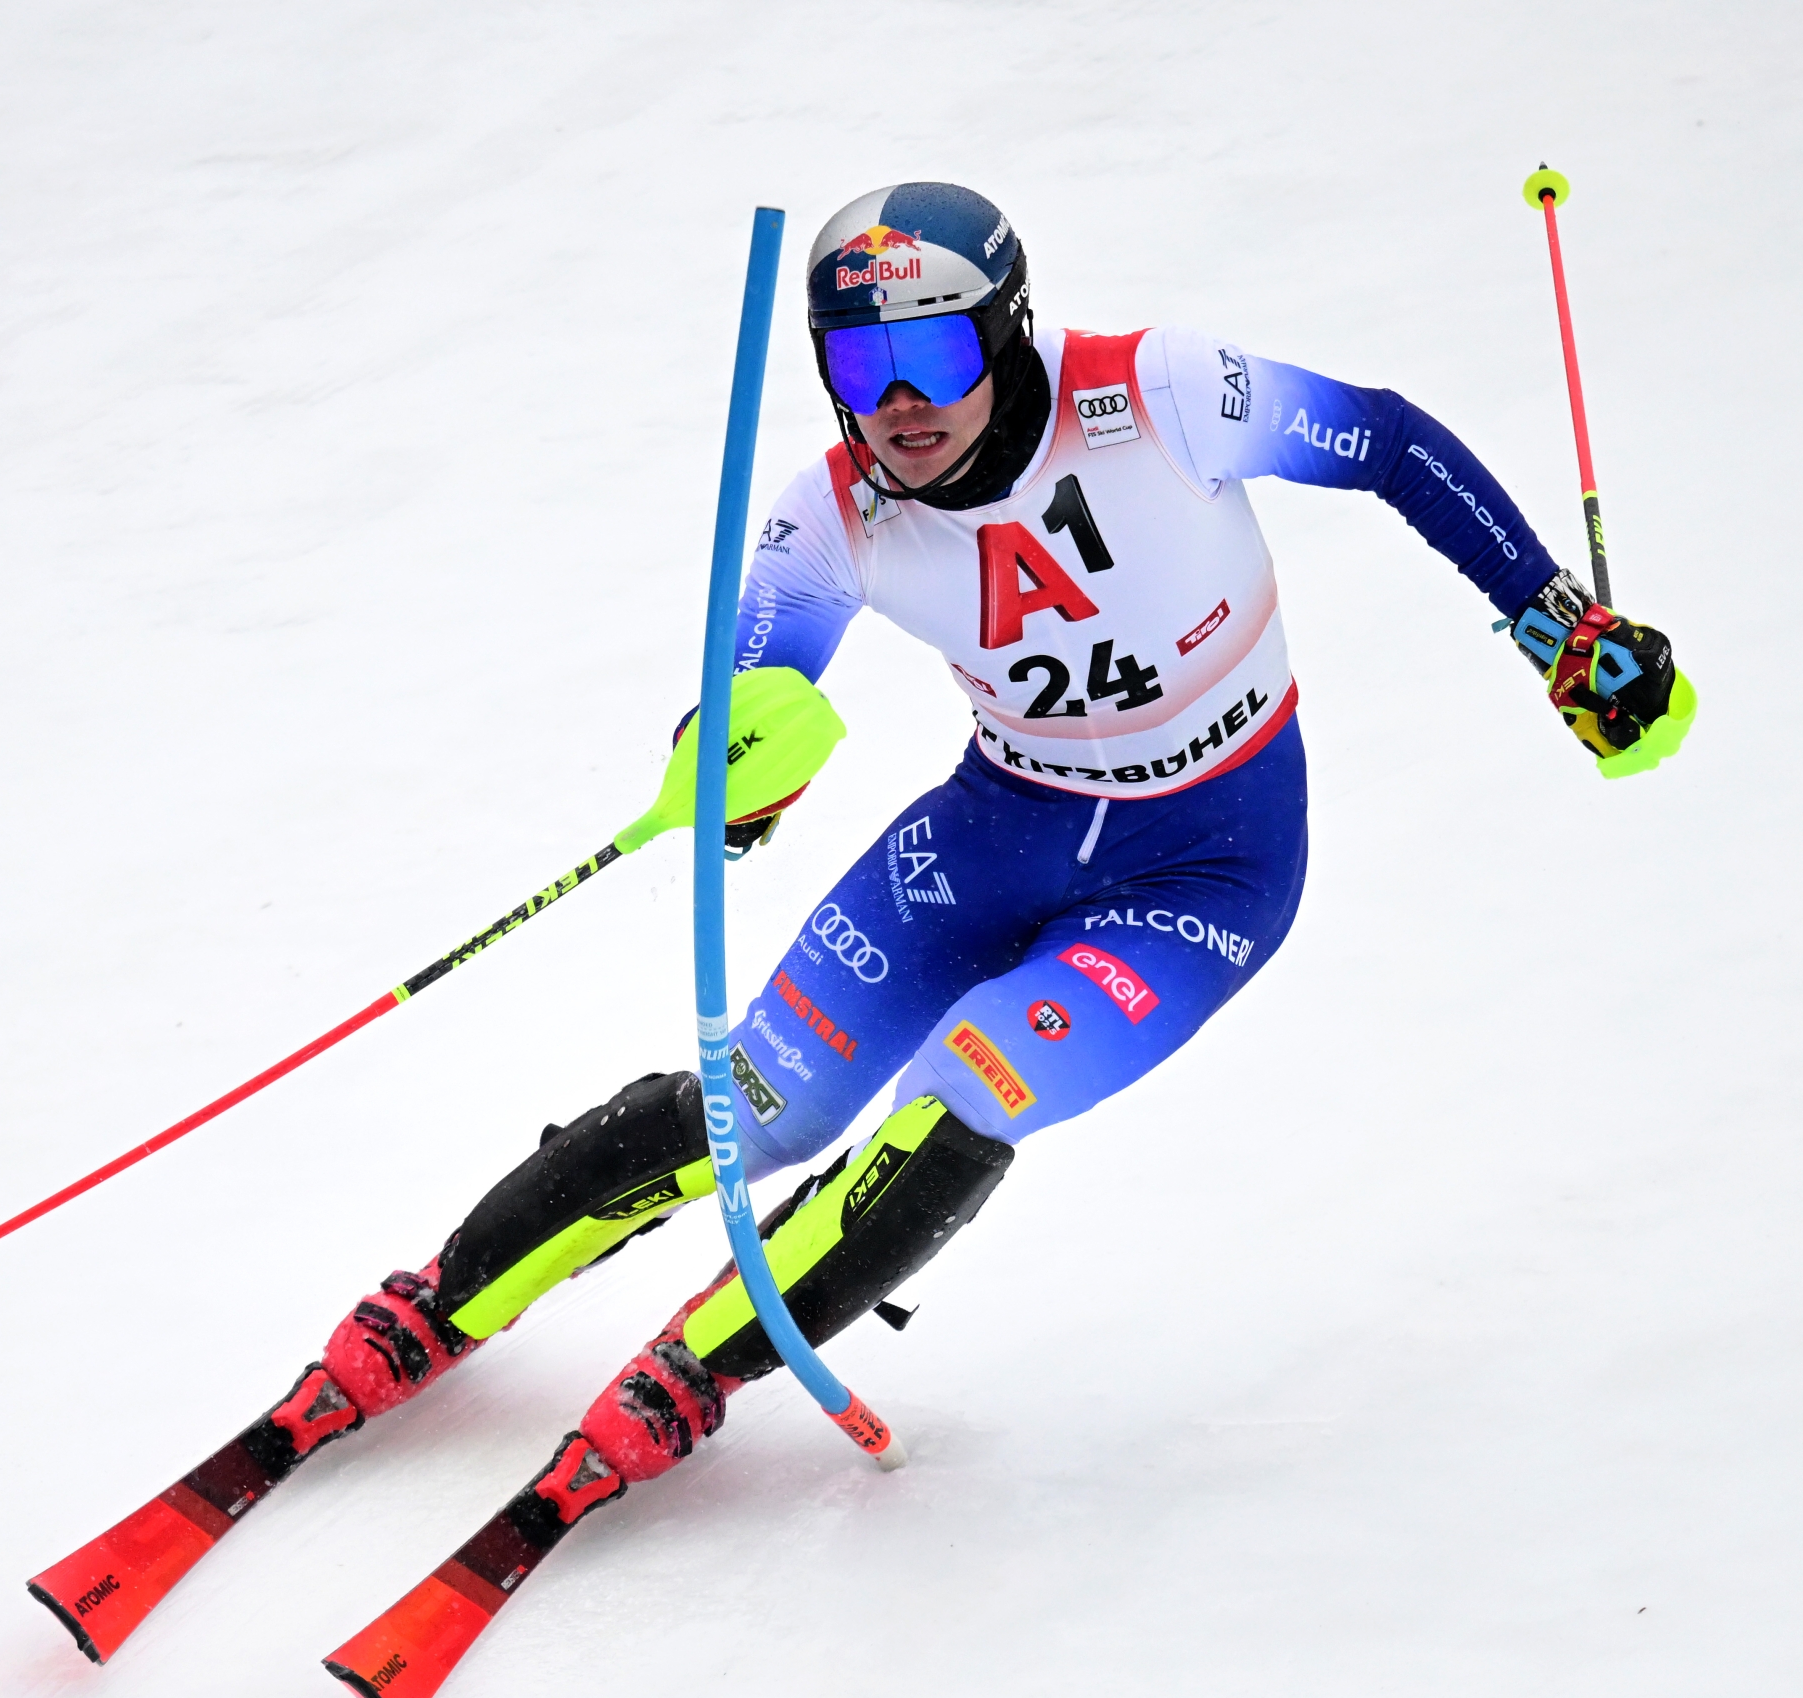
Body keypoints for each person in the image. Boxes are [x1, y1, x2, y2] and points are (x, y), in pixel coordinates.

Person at [265, 181, 1692, 1530]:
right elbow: (764, 673)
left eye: (936, 355)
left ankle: (701, 1367)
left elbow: (1381, 438)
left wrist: (1554, 623)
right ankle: (439, 1301)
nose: (898, 404)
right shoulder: (833, 508)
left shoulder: (1160, 393)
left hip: (1205, 874)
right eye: (860, 363)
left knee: (969, 1084)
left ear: (1006, 330)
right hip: (990, 833)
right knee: (759, 1102)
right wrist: (737, 756)